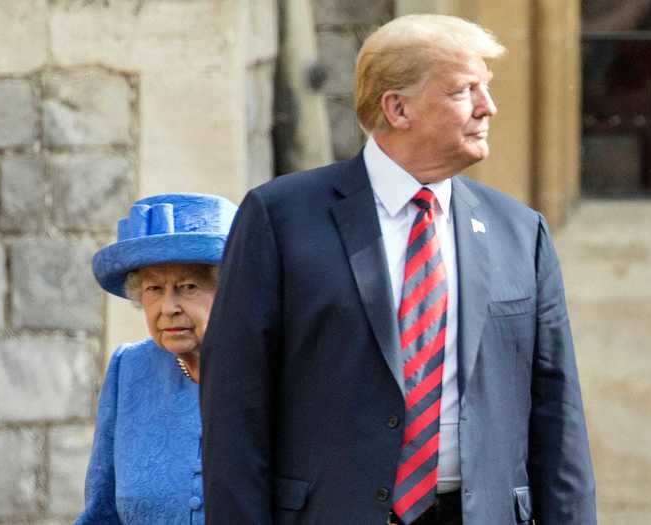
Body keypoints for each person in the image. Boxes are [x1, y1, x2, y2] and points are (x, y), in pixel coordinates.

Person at [200, 14, 596, 525]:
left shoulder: (521, 232)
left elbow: (558, 419)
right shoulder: (280, 219)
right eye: (464, 90)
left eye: (487, 88)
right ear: (397, 107)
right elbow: (235, 412)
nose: (487, 107)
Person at [75, 193, 237, 524]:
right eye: (153, 290)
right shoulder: (129, 369)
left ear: (230, 289)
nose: (168, 307)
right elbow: (101, 514)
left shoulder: (274, 368)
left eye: (189, 286)